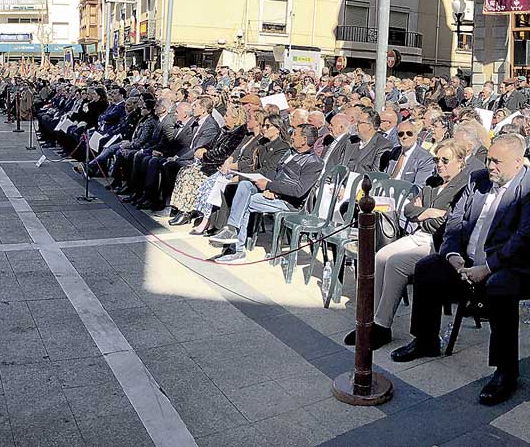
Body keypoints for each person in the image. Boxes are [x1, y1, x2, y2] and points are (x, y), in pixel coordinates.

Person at [390, 134, 530, 406]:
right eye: (489, 158)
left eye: (497, 162)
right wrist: (452, 254)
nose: (491, 166)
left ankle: (505, 372)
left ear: (517, 162)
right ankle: (425, 340)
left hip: (509, 265)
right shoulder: (477, 178)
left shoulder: (527, 188)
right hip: (466, 259)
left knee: (500, 286)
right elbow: (455, 221)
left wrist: (487, 268)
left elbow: (523, 237)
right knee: (428, 268)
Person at [344, 139, 471, 350]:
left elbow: (448, 221)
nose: (439, 164)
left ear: (460, 161)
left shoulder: (463, 186)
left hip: (439, 243)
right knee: (381, 256)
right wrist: (428, 213)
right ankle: (370, 321)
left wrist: (425, 216)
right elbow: (408, 210)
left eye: (445, 160)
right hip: (419, 235)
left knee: (396, 263)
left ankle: (382, 326)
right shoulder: (432, 182)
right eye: (436, 159)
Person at [209, 123, 323, 263]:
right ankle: (231, 230)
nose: (292, 136)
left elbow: (298, 190)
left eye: (295, 134)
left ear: (304, 140)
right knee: (244, 185)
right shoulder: (291, 152)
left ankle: (236, 249)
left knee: (245, 202)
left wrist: (272, 189)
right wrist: (266, 185)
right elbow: (275, 173)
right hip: (273, 191)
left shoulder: (314, 162)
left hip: (289, 202)